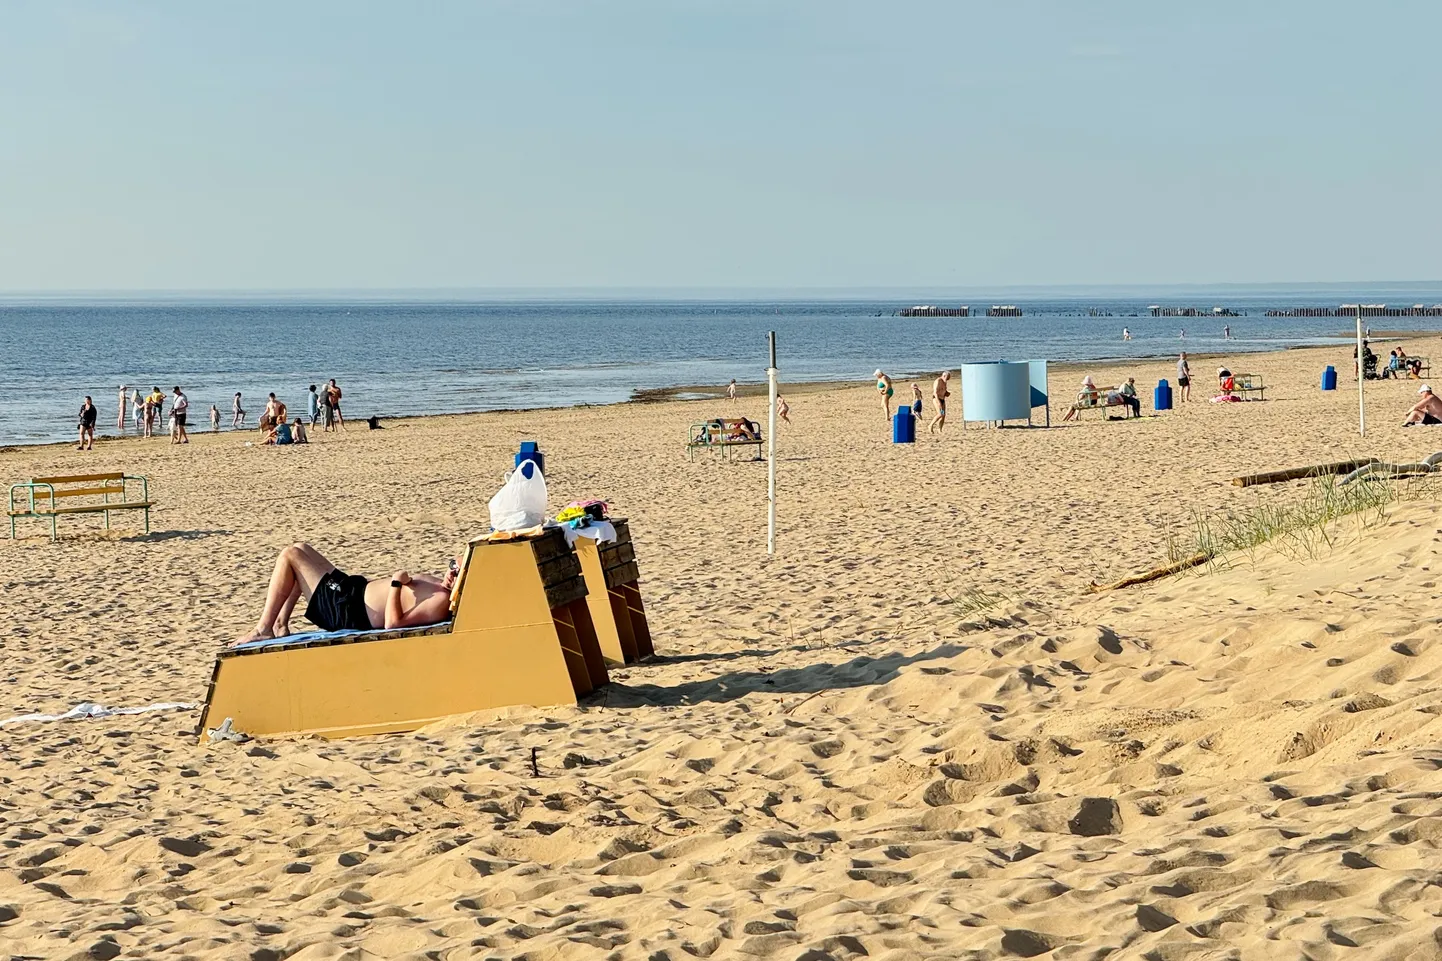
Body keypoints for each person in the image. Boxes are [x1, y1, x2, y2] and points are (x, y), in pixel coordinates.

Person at [233, 544, 459, 644]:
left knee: (290, 556)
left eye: (458, 573)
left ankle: (263, 629)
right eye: (452, 565)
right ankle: (280, 624)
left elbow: (393, 624)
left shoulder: (441, 600)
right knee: (301, 548)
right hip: (352, 591)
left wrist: (395, 584)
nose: (451, 572)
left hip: (348, 610)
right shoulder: (441, 587)